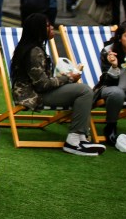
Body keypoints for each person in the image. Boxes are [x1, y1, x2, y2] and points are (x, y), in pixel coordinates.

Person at [9, 13, 105, 156]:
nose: (52, 28)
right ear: (39, 29)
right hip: (34, 96)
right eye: (48, 26)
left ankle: (80, 138)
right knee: (84, 91)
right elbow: (42, 85)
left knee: (84, 91)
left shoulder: (30, 48)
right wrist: (68, 77)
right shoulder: (34, 52)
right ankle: (74, 141)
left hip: (34, 93)